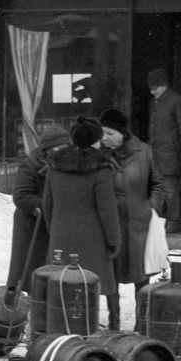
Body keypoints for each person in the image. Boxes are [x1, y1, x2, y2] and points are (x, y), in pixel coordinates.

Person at [42, 115, 120, 331]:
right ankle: (103, 323)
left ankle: (62, 324)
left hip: (60, 233)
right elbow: (107, 210)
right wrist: (114, 240)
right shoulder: (100, 168)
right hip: (92, 237)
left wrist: (54, 228)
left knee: (61, 281)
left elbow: (48, 203)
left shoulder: (55, 165)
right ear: (95, 140)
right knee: (96, 283)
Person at [98, 108, 166, 329]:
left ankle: (141, 321)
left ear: (123, 133)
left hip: (139, 223)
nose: (105, 138)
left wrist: (151, 206)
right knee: (111, 274)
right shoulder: (100, 155)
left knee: (141, 274)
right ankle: (114, 320)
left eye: (110, 133)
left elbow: (157, 184)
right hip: (112, 222)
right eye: (102, 134)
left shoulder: (144, 152)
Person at [6, 124, 69, 293]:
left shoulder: (66, 165)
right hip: (33, 225)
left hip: (55, 224)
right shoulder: (30, 165)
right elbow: (21, 196)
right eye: (60, 148)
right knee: (31, 269)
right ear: (48, 150)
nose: (64, 152)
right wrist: (47, 207)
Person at [146, 68, 181, 233]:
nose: (152, 92)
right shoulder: (155, 103)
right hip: (157, 154)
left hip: (171, 154)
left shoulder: (177, 101)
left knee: (170, 190)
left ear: (164, 85)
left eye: (155, 88)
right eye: (151, 88)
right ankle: (160, 221)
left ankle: (173, 222)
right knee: (159, 189)